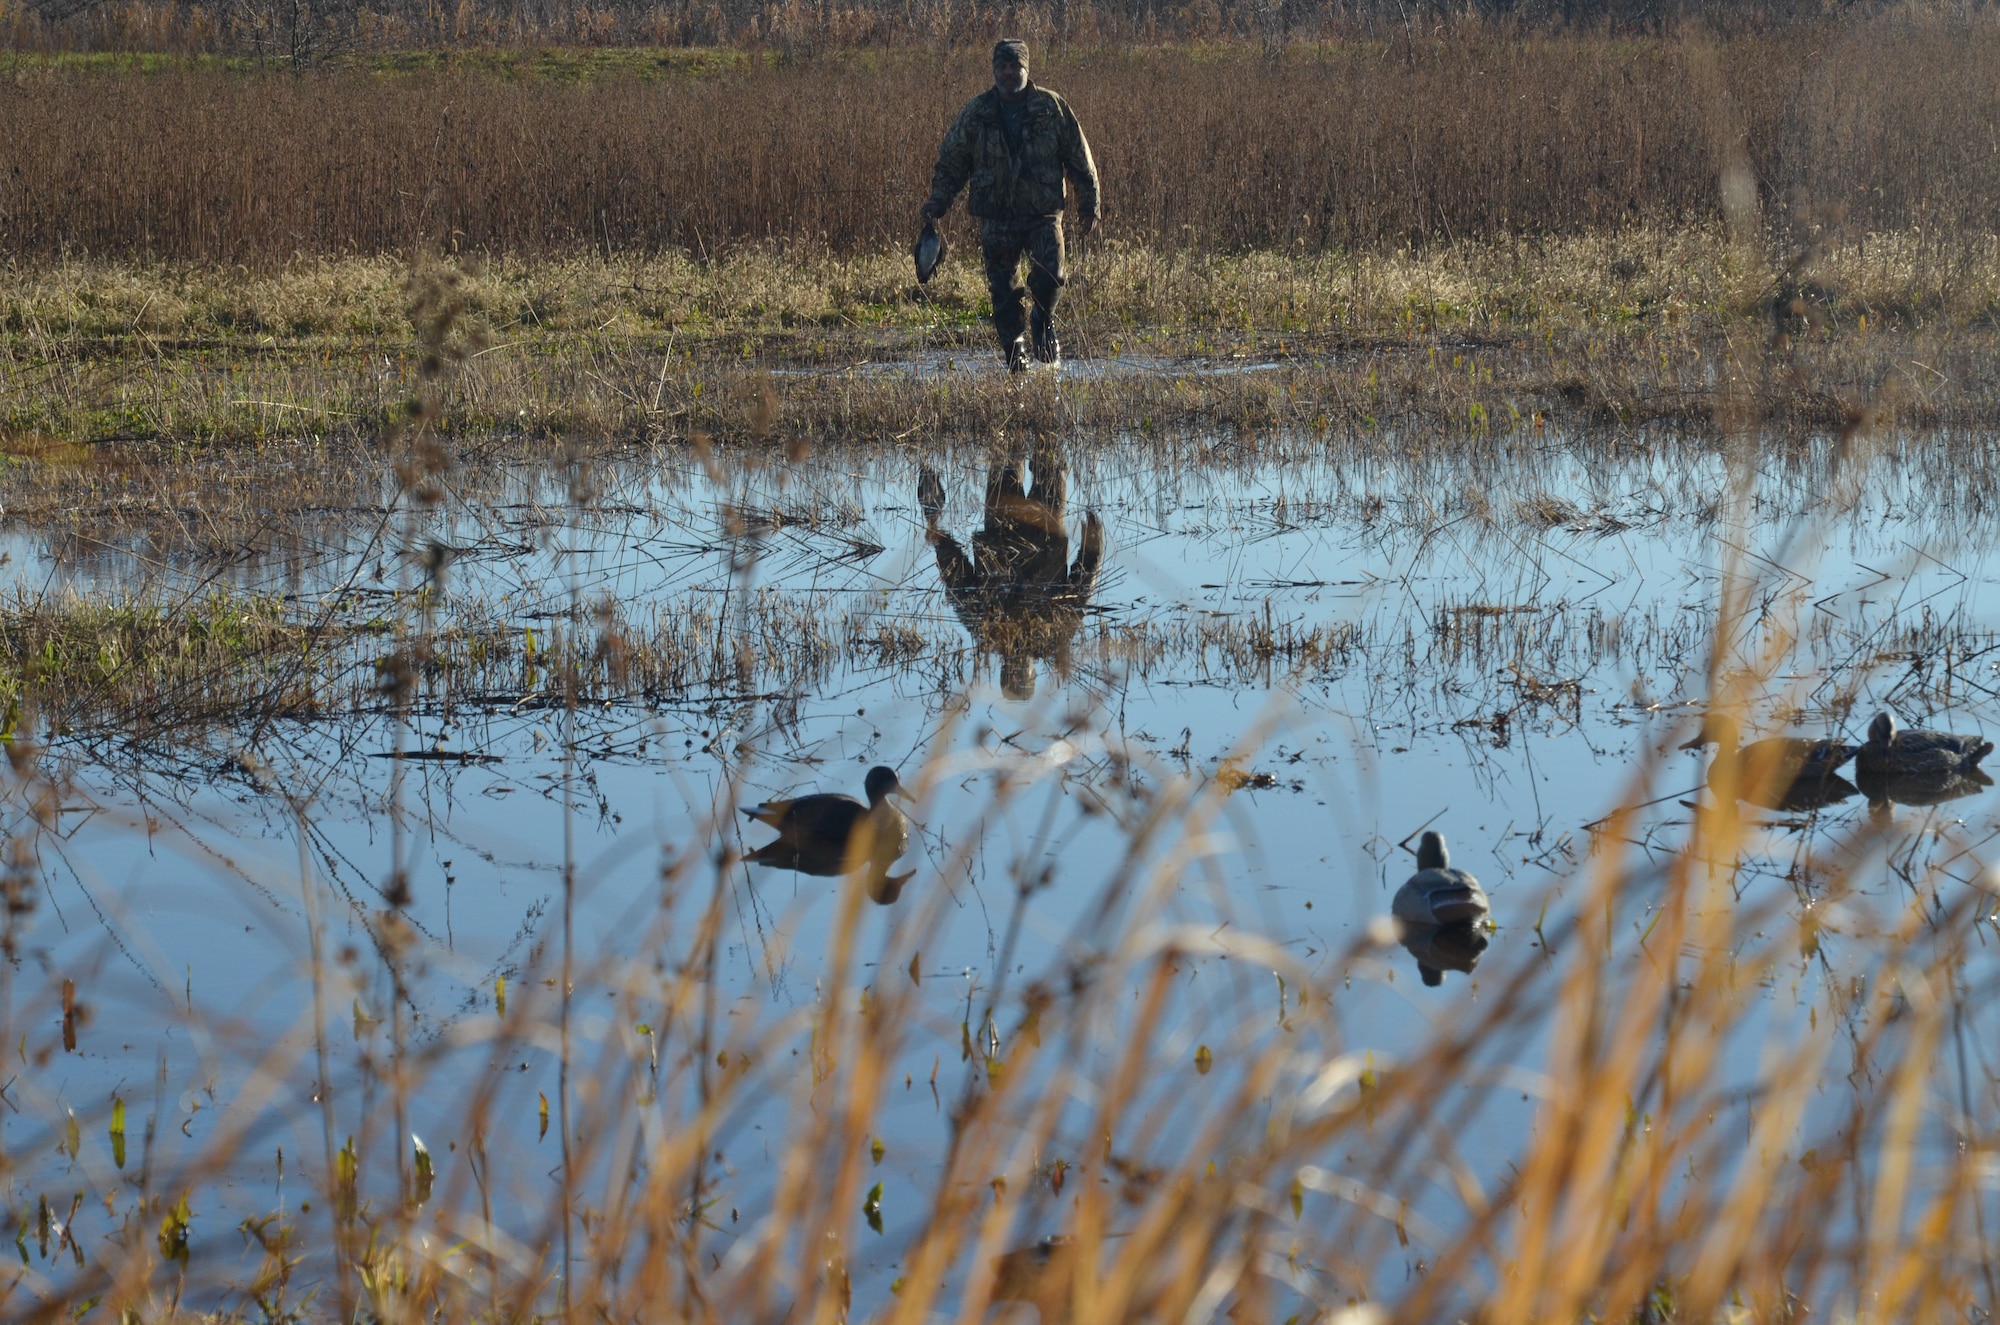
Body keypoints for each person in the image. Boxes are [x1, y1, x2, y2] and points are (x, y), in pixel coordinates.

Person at [920, 39, 1101, 372]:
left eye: (1014, 66)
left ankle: (1042, 319)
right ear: (994, 70)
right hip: (996, 215)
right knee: (1003, 290)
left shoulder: (1051, 106)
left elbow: (1079, 155)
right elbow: (952, 160)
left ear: (1026, 69)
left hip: (1043, 212)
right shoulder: (978, 111)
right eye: (1001, 67)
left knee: (1052, 275)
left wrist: (1089, 204)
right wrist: (938, 201)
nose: (1007, 73)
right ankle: (1014, 350)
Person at [919, 447, 1103, 700]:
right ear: (1032, 674)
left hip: (1000, 528)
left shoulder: (986, 632)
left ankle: (1015, 416)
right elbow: (1079, 592)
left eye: (1011, 674)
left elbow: (958, 582)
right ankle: (1042, 417)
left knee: (1004, 453)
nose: (1016, 669)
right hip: (1046, 532)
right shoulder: (1052, 637)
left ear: (1005, 672)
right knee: (1049, 457)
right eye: (1021, 676)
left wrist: (941, 541)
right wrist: (1093, 549)